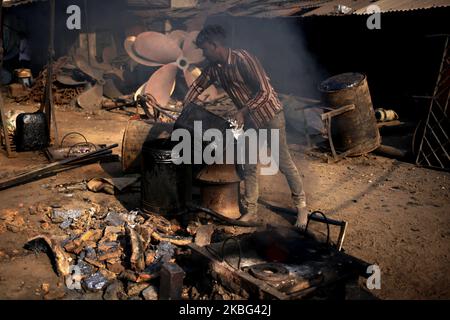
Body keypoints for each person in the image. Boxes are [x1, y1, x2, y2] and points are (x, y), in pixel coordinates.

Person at [183, 25, 308, 230]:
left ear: (215, 46)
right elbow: (198, 86)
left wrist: (242, 111)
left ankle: (302, 207)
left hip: (270, 116)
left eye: (205, 49)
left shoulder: (243, 59)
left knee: (283, 162)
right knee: (249, 165)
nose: (203, 53)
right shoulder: (214, 67)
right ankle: (251, 211)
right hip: (250, 121)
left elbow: (266, 91)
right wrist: (185, 106)